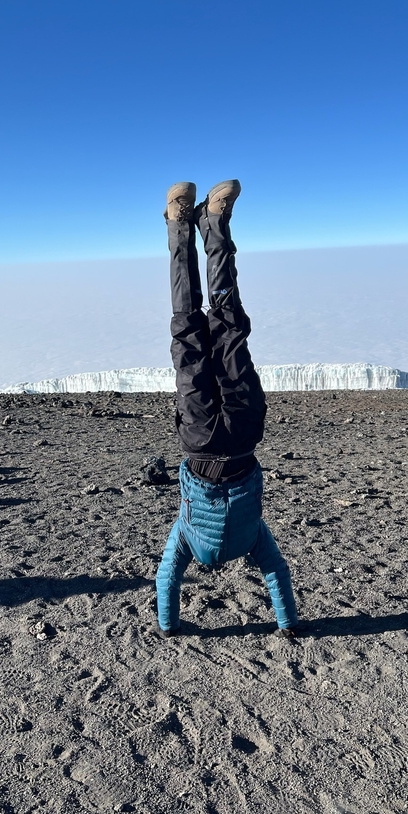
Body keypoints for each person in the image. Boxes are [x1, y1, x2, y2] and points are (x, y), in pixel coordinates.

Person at [155, 179, 299, 638]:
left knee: (229, 327)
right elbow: (166, 578)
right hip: (199, 441)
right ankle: (182, 224)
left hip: (242, 436)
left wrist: (288, 623)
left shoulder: (252, 537)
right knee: (187, 330)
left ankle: (214, 220)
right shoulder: (186, 538)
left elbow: (277, 573)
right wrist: (167, 626)